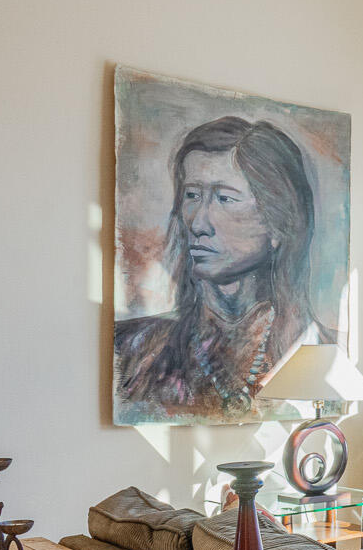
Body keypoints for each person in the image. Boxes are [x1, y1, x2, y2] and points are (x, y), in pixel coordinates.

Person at [115, 116, 324, 419]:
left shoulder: (319, 353)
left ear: (278, 223)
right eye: (192, 196)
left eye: (225, 198)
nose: (198, 223)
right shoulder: (132, 349)